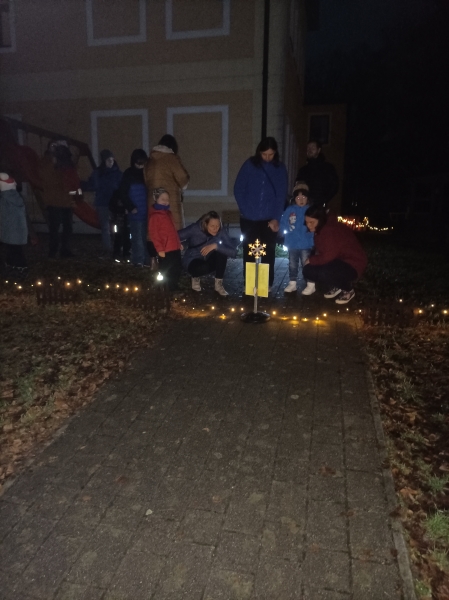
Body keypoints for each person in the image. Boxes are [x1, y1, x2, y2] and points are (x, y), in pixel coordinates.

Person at [233, 137, 288, 289]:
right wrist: (245, 209)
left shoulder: (280, 169)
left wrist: (276, 218)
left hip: (269, 220)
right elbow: (238, 189)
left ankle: (265, 284)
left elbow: (281, 196)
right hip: (249, 218)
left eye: (271, 154)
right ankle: (250, 283)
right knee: (250, 251)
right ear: (259, 152)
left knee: (268, 251)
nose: (267, 158)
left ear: (275, 153)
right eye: (264, 154)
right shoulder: (250, 165)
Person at [302, 204, 367, 304]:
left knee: (324, 272)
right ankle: (337, 285)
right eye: (307, 222)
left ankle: (348, 290)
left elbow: (328, 256)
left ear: (320, 220)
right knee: (308, 270)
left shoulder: (330, 230)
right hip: (338, 260)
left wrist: (311, 259)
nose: (308, 225)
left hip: (353, 263)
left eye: (312, 222)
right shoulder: (321, 227)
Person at [178, 211, 237, 296]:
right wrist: (178, 243)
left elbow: (233, 252)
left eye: (217, 226)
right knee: (201, 268)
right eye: (212, 226)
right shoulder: (195, 228)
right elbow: (176, 235)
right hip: (193, 258)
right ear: (205, 224)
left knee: (222, 252)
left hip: (209, 257)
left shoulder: (221, 231)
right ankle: (195, 276)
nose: (215, 229)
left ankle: (218, 284)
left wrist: (216, 246)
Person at [39, 140, 80, 258]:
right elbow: (47, 178)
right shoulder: (47, 162)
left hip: (65, 201)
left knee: (67, 227)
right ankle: (53, 251)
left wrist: (74, 195)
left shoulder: (65, 162)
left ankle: (64, 250)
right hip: (54, 201)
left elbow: (72, 179)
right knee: (55, 228)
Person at [144, 134, 190, 231]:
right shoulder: (172, 159)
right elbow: (183, 178)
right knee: (172, 230)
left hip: (153, 202)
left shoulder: (150, 161)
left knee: (156, 230)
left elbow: (146, 181)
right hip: (170, 202)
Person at [82, 149, 122, 256]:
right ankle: (109, 248)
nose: (111, 162)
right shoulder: (101, 173)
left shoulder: (114, 173)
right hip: (103, 203)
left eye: (112, 160)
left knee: (113, 226)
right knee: (106, 227)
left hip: (112, 203)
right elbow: (92, 185)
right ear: (104, 161)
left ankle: (115, 247)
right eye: (109, 160)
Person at [279, 183, 315, 295]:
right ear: (294, 199)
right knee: (292, 264)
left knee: (306, 263)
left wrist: (312, 235)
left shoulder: (310, 210)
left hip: (306, 243)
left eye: (304, 197)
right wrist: (285, 231)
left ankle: (311, 284)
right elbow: (283, 222)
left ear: (307, 198)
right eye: (298, 198)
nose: (301, 200)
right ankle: (292, 283)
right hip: (292, 242)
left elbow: (315, 224)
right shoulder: (290, 210)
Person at [115, 149, 148, 267]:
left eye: (142, 163)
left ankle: (146, 260)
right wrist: (130, 207)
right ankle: (138, 260)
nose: (140, 166)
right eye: (138, 163)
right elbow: (122, 193)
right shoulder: (129, 174)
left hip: (146, 211)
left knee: (146, 237)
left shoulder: (146, 173)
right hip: (136, 212)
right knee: (137, 237)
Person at [148, 188, 182, 291]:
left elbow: (173, 231)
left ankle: (174, 287)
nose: (165, 201)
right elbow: (154, 235)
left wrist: (178, 243)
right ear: (156, 199)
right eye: (163, 199)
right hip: (166, 249)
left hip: (174, 247)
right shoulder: (155, 216)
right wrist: (160, 249)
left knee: (177, 268)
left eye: (167, 199)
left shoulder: (168, 213)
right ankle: (165, 288)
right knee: (167, 270)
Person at [296, 140, 339, 208]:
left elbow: (334, 186)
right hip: (304, 206)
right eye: (308, 148)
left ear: (318, 150)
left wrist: (324, 200)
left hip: (320, 207)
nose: (310, 150)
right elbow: (298, 186)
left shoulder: (328, 168)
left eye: (313, 148)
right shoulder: (303, 170)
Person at [0, 172, 29, 271]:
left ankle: (21, 266)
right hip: (17, 229)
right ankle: (11, 263)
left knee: (14, 249)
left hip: (10, 229)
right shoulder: (15, 197)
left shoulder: (4, 198)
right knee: (14, 248)